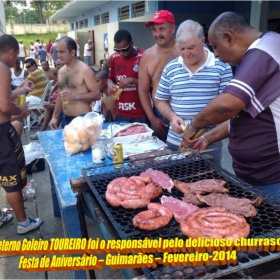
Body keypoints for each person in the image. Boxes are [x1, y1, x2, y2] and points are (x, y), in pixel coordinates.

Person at [181, 12, 280, 198]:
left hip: (273, 178)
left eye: (216, 47)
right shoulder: (252, 58)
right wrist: (206, 139)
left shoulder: (265, 50)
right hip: (253, 176)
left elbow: (226, 106)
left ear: (229, 37)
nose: (216, 55)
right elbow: (242, 115)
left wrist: (194, 125)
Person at [155, 20, 232, 166]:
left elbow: (228, 109)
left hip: (209, 143)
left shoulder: (222, 68)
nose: (186, 54)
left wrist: (206, 136)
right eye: (181, 48)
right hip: (175, 142)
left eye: (191, 48)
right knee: (176, 183)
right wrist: (172, 117)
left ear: (203, 41)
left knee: (210, 184)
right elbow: (160, 100)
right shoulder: (170, 68)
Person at [0, 34, 43, 234]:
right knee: (11, 179)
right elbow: (5, 105)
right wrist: (21, 111)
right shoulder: (2, 68)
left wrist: (21, 89)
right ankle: (24, 222)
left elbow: (6, 96)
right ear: (12, 52)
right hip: (1, 132)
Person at [138, 10, 180, 141]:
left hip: (188, 114)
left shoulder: (185, 50)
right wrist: (152, 118)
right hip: (161, 118)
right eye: (154, 30)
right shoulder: (147, 56)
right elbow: (143, 90)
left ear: (173, 28)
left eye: (162, 29)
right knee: (164, 157)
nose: (157, 34)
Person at [50, 36, 100, 129]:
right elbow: (60, 97)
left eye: (62, 51)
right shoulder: (61, 71)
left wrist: (76, 96)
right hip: (65, 119)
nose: (59, 55)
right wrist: (54, 117)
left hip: (82, 120)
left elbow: (97, 95)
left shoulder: (84, 70)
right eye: (57, 51)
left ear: (72, 52)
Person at [107, 29, 147, 124]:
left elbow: (149, 85)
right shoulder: (114, 58)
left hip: (140, 114)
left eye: (124, 50)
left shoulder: (143, 56)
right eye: (117, 50)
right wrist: (110, 84)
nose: (121, 54)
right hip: (121, 114)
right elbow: (110, 77)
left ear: (132, 43)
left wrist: (132, 80)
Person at [30, 59, 65, 140]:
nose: (57, 67)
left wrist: (54, 104)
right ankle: (45, 131)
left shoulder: (67, 75)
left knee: (51, 108)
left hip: (69, 106)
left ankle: (45, 131)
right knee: (49, 107)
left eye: (59, 65)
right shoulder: (61, 74)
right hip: (63, 102)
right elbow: (61, 95)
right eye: (56, 65)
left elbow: (67, 98)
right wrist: (54, 101)